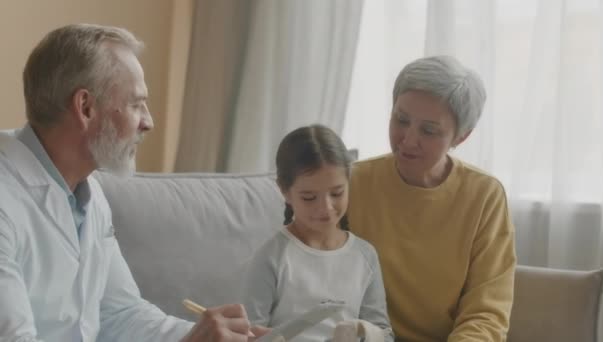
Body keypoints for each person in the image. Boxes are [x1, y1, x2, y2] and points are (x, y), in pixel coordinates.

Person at [0, 23, 266, 342]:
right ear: (85, 107)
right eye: (136, 103)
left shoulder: (87, 193)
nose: (148, 122)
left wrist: (210, 337)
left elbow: (120, 313)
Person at [347, 56, 516, 341]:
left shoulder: (484, 195)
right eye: (401, 120)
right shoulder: (352, 182)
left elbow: (486, 313)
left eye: (428, 130)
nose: (407, 140)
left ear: (460, 137)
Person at [242, 124, 394, 341]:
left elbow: (385, 336)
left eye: (336, 193)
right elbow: (247, 334)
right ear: (285, 191)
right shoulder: (271, 258)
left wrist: (362, 330)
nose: (326, 208)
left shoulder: (365, 255)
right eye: (309, 197)